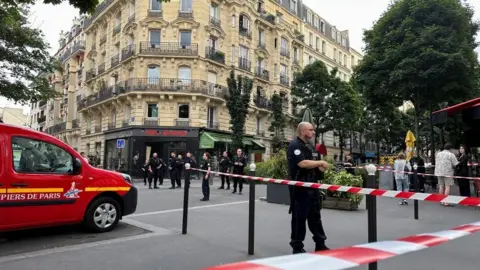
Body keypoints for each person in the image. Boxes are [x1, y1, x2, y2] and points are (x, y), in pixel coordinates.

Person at [287, 122, 329, 254]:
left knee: (315, 217)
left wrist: (319, 168)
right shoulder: (295, 145)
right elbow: (302, 163)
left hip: (312, 186)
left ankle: (320, 244)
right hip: (300, 187)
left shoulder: (309, 147)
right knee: (299, 218)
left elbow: (312, 164)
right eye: (311, 130)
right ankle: (297, 247)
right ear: (303, 131)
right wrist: (321, 162)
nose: (313, 132)